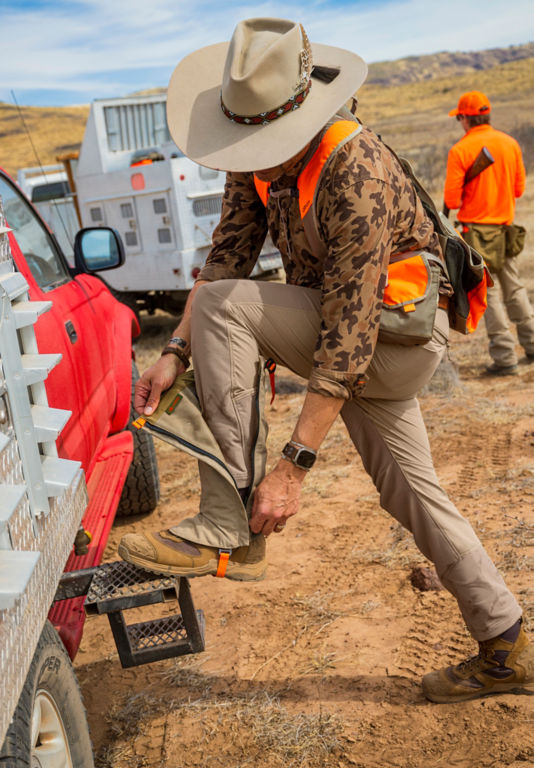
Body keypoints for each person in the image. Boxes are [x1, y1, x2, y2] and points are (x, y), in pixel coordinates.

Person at [118, 19, 534, 703]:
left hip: (394, 344)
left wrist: (291, 468)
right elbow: (226, 258)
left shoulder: (354, 170)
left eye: (264, 143)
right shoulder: (255, 154)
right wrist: (174, 350)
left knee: (227, 307)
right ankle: (506, 644)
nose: (251, 158)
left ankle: (228, 525)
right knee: (412, 493)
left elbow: (346, 337)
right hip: (353, 341)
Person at [444, 91, 534, 375]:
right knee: (515, 289)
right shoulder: (510, 143)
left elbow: (452, 201)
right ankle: (532, 345)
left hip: (476, 234)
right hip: (506, 231)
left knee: (491, 295)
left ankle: (505, 359)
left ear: (465, 118)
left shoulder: (460, 150)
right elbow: (519, 190)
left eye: (459, 117)